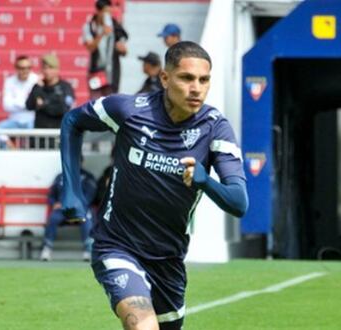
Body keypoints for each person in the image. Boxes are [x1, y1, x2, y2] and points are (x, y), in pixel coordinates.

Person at [60, 41, 248, 329]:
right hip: (117, 244)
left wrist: (205, 181)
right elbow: (73, 120)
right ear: (164, 78)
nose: (196, 87)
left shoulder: (215, 128)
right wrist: (72, 192)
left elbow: (239, 203)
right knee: (143, 325)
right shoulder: (128, 110)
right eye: (186, 78)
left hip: (168, 259)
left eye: (203, 79)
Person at [40, 161, 97, 262]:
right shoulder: (60, 176)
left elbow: (90, 195)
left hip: (80, 210)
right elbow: (51, 195)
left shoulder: (87, 177)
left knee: (87, 220)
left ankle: (88, 251)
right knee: (53, 218)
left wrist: (80, 204)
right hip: (63, 209)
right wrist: (54, 203)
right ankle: (47, 249)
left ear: (82, 162)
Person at [83, 0, 129, 98]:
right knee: (95, 101)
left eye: (109, 12)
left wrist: (123, 50)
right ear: (98, 11)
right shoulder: (89, 26)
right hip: (96, 70)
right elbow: (90, 47)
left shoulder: (115, 26)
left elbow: (123, 47)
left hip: (112, 71)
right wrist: (102, 33)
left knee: (111, 100)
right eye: (105, 12)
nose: (108, 15)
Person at [0, 55, 39, 129]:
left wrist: (15, 103)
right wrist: (27, 104)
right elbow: (6, 105)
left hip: (32, 121)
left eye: (28, 68)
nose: (26, 71)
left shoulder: (36, 80)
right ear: (16, 68)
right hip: (14, 120)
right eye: (22, 68)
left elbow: (37, 105)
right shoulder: (9, 81)